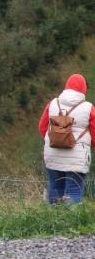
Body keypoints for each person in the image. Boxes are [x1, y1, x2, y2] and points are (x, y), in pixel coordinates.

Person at [37, 73, 92, 204]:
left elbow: (42, 127)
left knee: (55, 188)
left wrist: (55, 140)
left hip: (53, 153)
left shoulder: (53, 104)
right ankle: (70, 217)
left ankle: (53, 215)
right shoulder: (89, 108)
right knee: (73, 190)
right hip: (77, 156)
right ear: (84, 89)